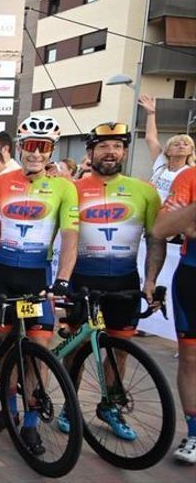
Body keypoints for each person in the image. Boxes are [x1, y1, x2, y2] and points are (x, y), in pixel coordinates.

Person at [0, 115, 79, 453]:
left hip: (37, 277)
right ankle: (9, 409)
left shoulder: (64, 186)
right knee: (4, 344)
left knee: (38, 351)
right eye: (30, 146)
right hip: (2, 274)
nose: (35, 153)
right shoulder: (2, 183)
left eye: (43, 147)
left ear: (50, 151)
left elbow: (71, 236)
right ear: (20, 147)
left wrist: (62, 279)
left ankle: (31, 423)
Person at [56, 122, 165, 439]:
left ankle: (110, 406)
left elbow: (156, 239)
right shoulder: (73, 189)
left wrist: (151, 280)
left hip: (124, 280)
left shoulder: (144, 190)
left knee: (120, 349)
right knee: (76, 346)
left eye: (117, 146)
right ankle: (69, 405)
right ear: (90, 152)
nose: (111, 151)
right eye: (103, 146)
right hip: (82, 279)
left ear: (125, 152)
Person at [152, 164, 196, 464]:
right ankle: (194, 433)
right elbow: (162, 228)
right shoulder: (188, 177)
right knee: (191, 358)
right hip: (192, 275)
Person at [141, 94, 196, 203]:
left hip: (172, 216)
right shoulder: (161, 164)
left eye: (185, 144)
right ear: (168, 151)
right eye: (176, 144)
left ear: (191, 151)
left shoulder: (191, 172)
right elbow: (151, 138)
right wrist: (151, 113)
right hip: (152, 212)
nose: (181, 146)